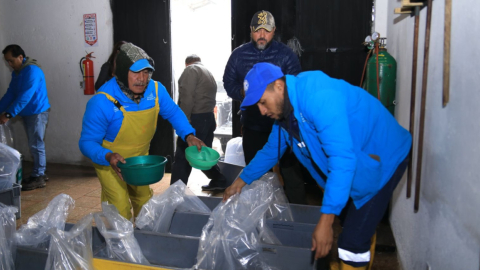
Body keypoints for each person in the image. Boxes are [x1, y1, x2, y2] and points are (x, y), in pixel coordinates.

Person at [223, 63, 412, 270]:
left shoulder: (318, 96)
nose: (262, 110)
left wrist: (326, 218)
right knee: (353, 223)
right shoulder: (286, 114)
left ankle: (359, 247)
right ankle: (364, 237)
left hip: (384, 156)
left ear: (278, 86)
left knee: (352, 242)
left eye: (262, 102)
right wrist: (240, 181)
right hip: (356, 160)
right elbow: (270, 152)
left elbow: (341, 160)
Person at [79, 43, 205, 220]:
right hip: (110, 162)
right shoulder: (102, 101)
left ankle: (142, 240)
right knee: (120, 210)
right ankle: (120, 246)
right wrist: (107, 156)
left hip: (140, 159)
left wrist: (188, 134)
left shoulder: (155, 90)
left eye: (146, 72)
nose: (142, 78)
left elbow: (174, 112)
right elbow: (87, 142)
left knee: (145, 204)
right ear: (122, 72)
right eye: (136, 72)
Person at [223, 10, 307, 204]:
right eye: (257, 31)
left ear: (274, 31)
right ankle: (257, 219)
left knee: (292, 174)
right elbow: (228, 82)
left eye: (267, 31)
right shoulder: (238, 55)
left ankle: (297, 216)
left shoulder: (286, 55)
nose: (262, 35)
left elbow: (295, 86)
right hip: (253, 125)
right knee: (255, 173)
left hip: (284, 125)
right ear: (251, 31)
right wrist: (245, 94)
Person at [170, 55, 227, 191]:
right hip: (208, 118)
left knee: (183, 157)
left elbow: (187, 98)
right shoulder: (208, 73)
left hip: (195, 119)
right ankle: (219, 180)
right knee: (203, 153)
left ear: (187, 63)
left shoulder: (191, 70)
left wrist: (184, 123)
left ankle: (174, 193)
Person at [0, 45, 50, 191]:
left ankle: (39, 176)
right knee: (34, 143)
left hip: (37, 112)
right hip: (28, 113)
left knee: (36, 143)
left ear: (21, 57)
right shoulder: (18, 73)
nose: (10, 64)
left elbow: (25, 96)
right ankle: (39, 172)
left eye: (11, 61)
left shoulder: (32, 71)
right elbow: (11, 94)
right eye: (7, 62)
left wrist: (8, 114)